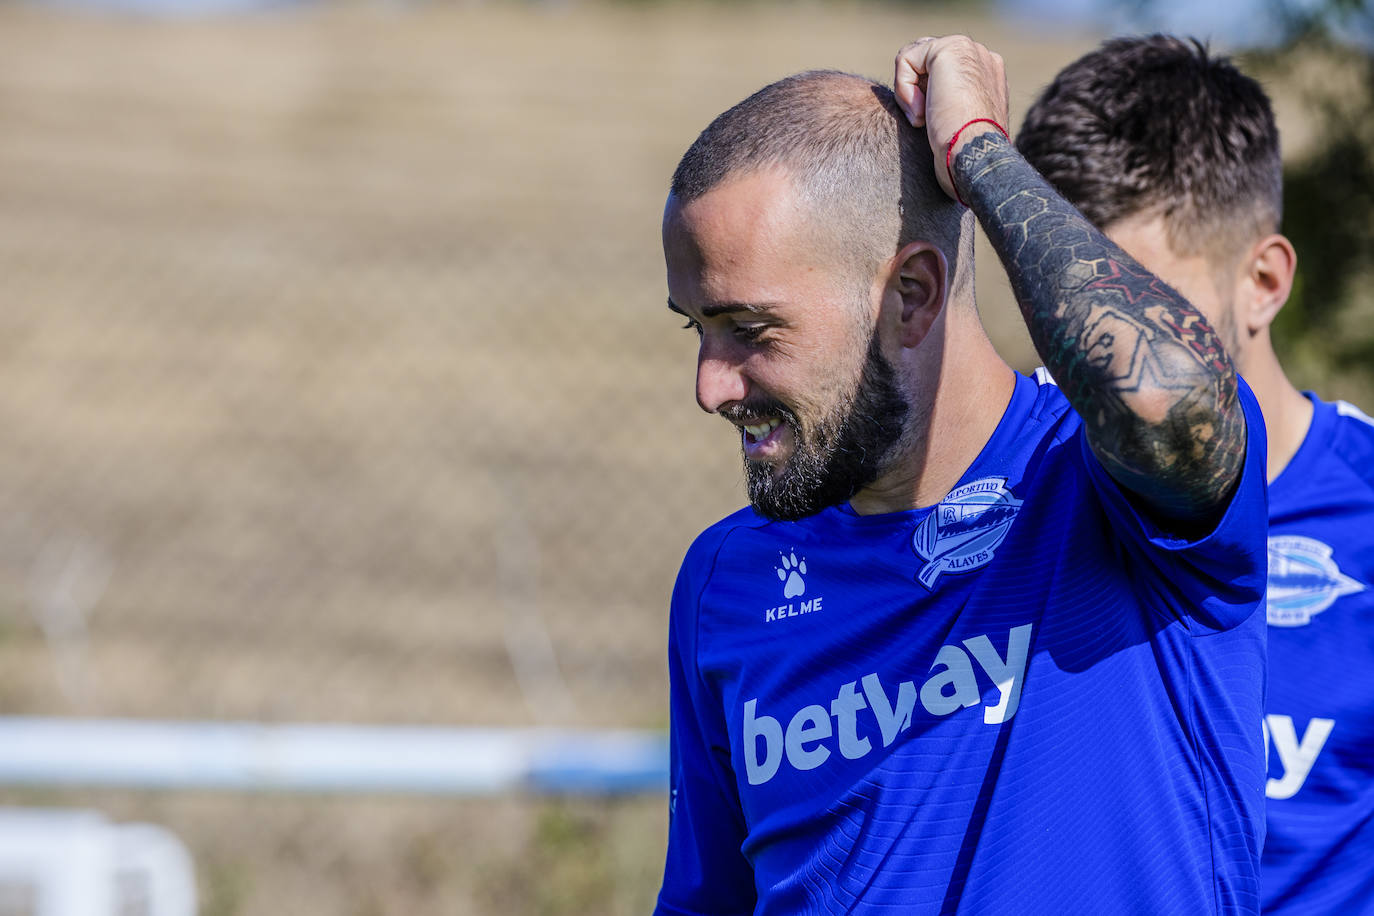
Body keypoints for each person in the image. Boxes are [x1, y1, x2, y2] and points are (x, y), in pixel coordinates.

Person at [655, 35, 1269, 915]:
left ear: (912, 296)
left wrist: (977, 150)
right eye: (695, 329)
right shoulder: (726, 581)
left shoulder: (1109, 492)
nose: (711, 387)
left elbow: (1174, 401)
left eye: (750, 329)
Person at [1017, 36, 1374, 914]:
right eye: (1067, 314)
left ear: (1261, 283)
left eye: (1139, 319)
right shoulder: (1005, 500)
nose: (1090, 363)